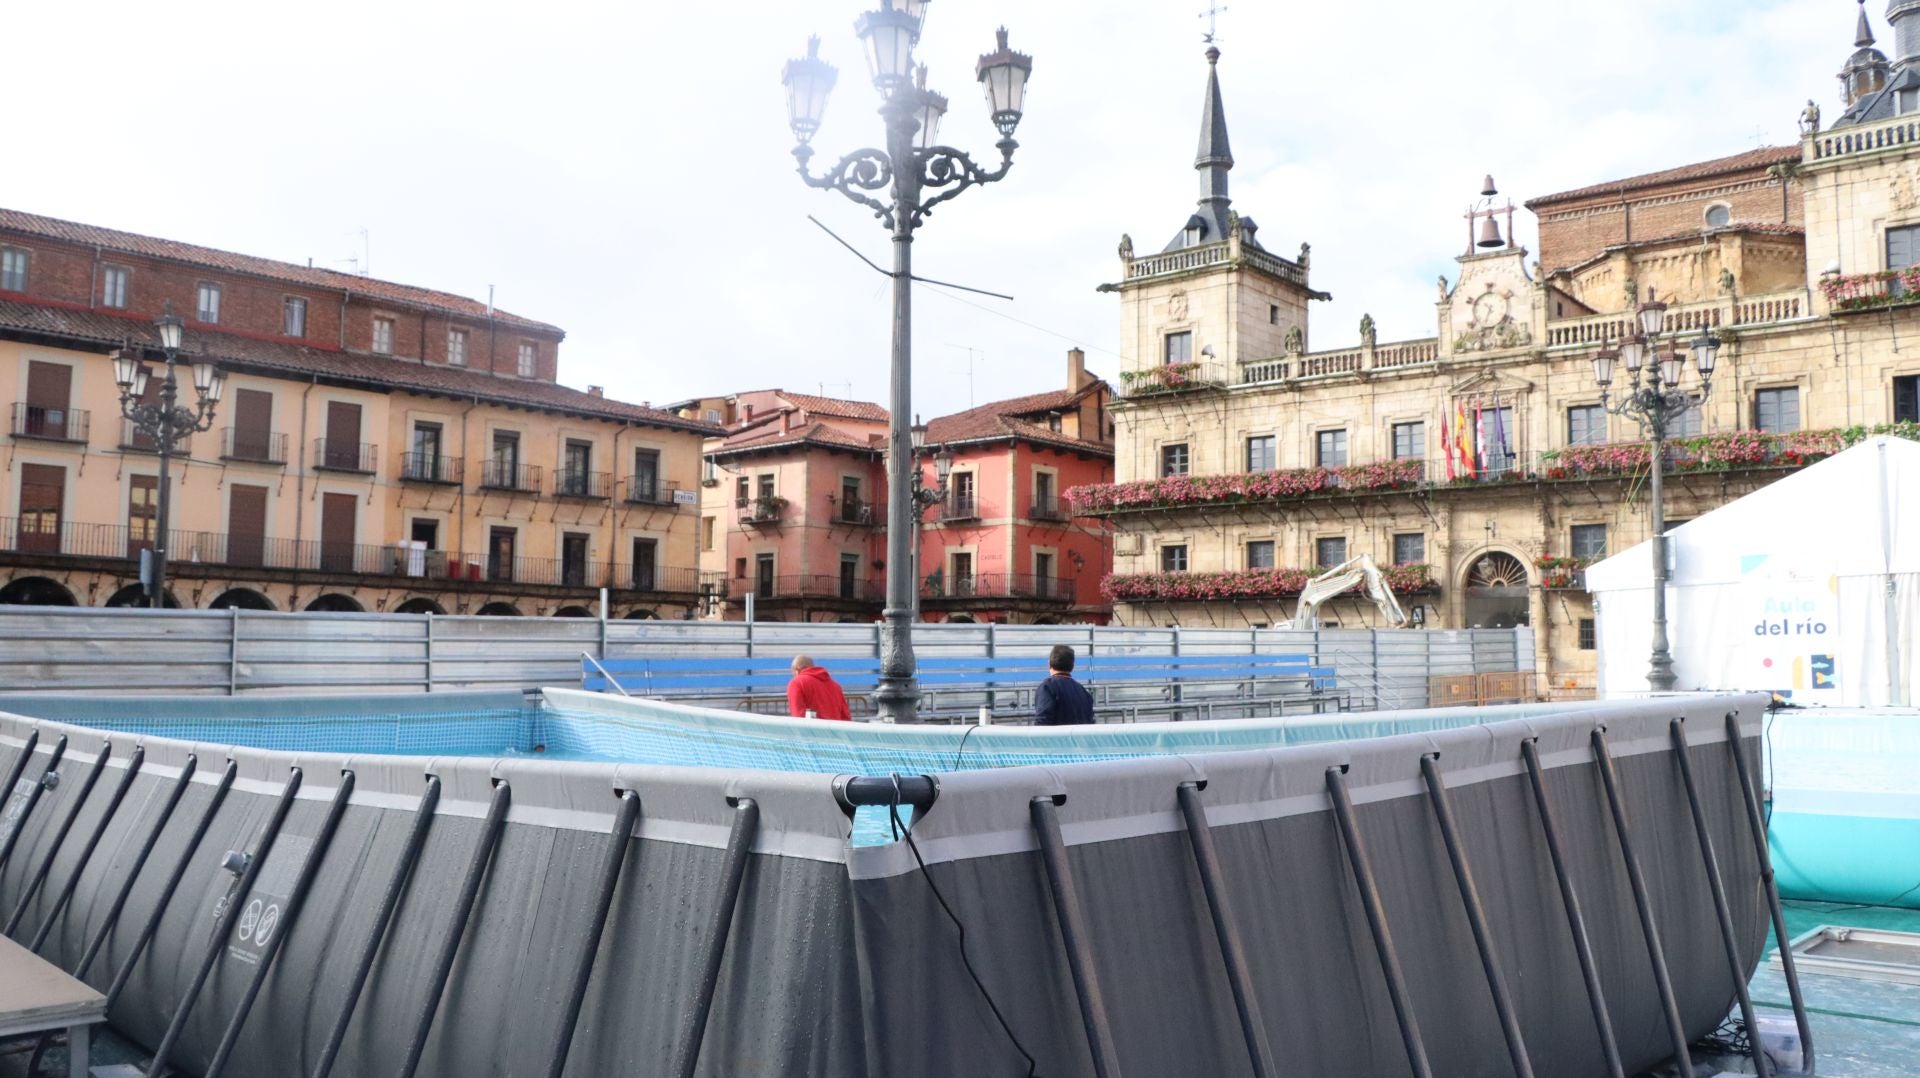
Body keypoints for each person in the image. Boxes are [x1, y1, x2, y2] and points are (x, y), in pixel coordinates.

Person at [1035, 644, 1094, 726]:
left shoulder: (1047, 688)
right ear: (1072, 667)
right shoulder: (1083, 691)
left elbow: (1042, 723)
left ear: (1049, 664)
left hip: (1057, 738)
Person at [786, 654, 851, 721]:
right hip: (835, 730)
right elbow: (846, 717)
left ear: (797, 671)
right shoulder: (836, 686)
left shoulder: (796, 683)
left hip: (812, 730)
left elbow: (798, 717)